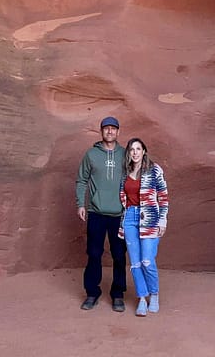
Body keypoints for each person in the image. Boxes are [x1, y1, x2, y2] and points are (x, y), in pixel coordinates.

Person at [75, 116, 127, 312]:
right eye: (106, 129)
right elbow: (81, 180)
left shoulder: (126, 154)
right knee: (94, 254)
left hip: (119, 214)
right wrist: (81, 204)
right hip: (96, 212)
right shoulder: (91, 154)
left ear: (118, 132)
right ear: (102, 132)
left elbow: (136, 176)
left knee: (120, 255)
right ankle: (92, 293)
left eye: (114, 128)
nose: (110, 132)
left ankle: (118, 294)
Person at [119, 138, 168, 316]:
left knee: (147, 260)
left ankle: (154, 294)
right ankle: (142, 298)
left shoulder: (154, 170)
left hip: (150, 218)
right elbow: (122, 198)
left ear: (144, 151)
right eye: (132, 149)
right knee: (136, 262)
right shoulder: (126, 172)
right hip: (130, 218)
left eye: (138, 149)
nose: (135, 152)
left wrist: (163, 220)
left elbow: (163, 196)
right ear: (129, 153)